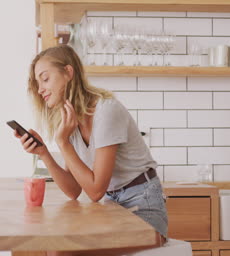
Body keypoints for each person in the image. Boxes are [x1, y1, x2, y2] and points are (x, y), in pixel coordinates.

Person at [13, 45, 168, 252]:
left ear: (68, 72)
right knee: (58, 247)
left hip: (144, 208)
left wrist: (63, 143)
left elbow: (95, 191)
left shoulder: (106, 110)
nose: (40, 89)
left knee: (65, 250)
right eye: (37, 82)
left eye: (45, 78)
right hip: (113, 207)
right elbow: (74, 190)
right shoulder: (70, 120)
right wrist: (44, 153)